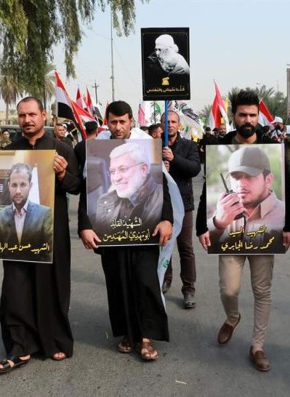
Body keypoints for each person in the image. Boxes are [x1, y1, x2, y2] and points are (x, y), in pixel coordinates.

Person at [196, 90, 290, 372]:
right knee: (229, 288)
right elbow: (205, 190)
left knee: (262, 290)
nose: (248, 119)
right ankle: (232, 317)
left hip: (265, 237)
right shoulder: (221, 146)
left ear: (267, 179)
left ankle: (257, 345)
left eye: (253, 115)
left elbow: (287, 190)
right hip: (231, 236)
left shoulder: (269, 146)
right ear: (234, 117)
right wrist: (208, 225)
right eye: (243, 114)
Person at [0, 96, 80, 374]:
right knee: (15, 286)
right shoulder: (10, 152)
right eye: (22, 115)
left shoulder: (61, 149)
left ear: (44, 116)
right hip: (13, 232)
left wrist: (62, 176)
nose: (27, 120)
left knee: (53, 285)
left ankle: (54, 339)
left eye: (32, 115)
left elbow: (76, 186)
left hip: (52, 229)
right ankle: (19, 345)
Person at [78, 100, 173, 362]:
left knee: (145, 281)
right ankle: (127, 334)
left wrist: (166, 219)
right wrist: (85, 226)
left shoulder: (147, 145)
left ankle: (146, 336)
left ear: (131, 121)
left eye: (123, 121)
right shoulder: (97, 146)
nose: (118, 127)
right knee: (117, 283)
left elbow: (162, 188)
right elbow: (88, 191)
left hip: (146, 230)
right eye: (113, 122)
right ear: (106, 122)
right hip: (111, 232)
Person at [161, 110, 201, 309]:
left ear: (179, 125)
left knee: (185, 247)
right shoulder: (154, 145)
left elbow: (194, 168)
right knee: (163, 245)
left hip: (183, 205)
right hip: (160, 204)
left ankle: (189, 289)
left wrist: (174, 159)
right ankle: (165, 279)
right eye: (166, 121)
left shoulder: (189, 145)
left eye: (173, 121)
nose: (170, 125)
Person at [0, 163, 53, 262]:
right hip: (11, 268)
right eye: (14, 185)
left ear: (30, 186)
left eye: (23, 185)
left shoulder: (44, 214)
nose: (18, 191)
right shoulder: (0, 217)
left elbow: (49, 251)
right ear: (9, 186)